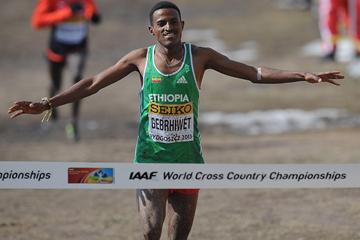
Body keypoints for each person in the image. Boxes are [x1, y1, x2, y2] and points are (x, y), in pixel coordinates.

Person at [9, 1, 344, 239]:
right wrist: (47, 102)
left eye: (174, 21)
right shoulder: (140, 59)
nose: (169, 27)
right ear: (152, 30)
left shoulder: (199, 57)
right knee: (150, 232)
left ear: (182, 26)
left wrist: (302, 74)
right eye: (162, 23)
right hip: (149, 161)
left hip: (188, 162)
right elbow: (94, 83)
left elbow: (254, 73)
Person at [31, 0, 102, 141]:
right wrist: (66, 13)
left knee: (78, 81)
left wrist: (92, 14)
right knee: (56, 84)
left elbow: (93, 13)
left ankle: (73, 123)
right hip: (57, 48)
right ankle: (51, 105)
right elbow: (37, 22)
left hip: (78, 47)